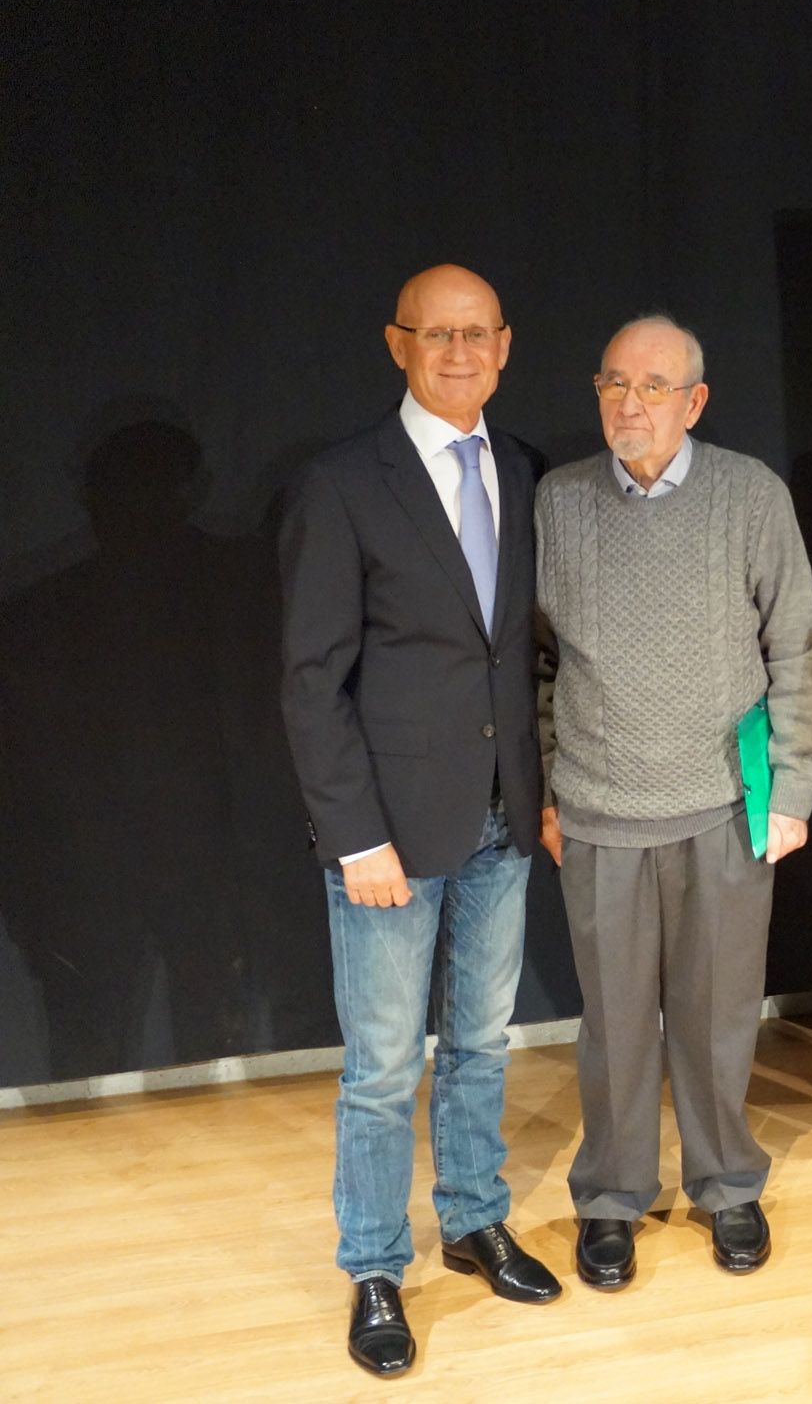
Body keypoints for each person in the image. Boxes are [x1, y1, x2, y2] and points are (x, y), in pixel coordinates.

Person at [279, 264, 561, 1379]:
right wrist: (354, 838)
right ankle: (375, 1265)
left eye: (476, 334)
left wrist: (538, 785)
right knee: (385, 1062)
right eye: (435, 334)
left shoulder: (526, 473)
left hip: (502, 821)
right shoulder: (341, 482)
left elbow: (525, 653)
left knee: (485, 1040)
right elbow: (311, 679)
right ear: (398, 343)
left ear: (504, 344)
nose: (457, 352)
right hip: (389, 832)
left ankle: (475, 1214)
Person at [535, 314, 812, 1287]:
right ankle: (611, 1197)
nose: (629, 403)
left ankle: (727, 1183)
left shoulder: (750, 495)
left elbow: (795, 648)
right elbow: (532, 665)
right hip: (600, 809)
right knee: (614, 1022)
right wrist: (545, 781)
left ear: (693, 401)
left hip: (723, 806)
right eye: (613, 382)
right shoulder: (555, 503)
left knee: (716, 1013)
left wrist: (792, 783)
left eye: (652, 386)